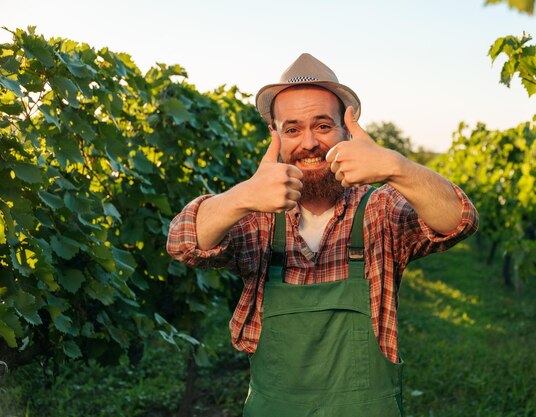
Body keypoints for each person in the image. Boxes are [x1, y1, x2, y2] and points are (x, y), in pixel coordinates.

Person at [167, 53, 479, 417]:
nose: (309, 142)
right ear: (277, 138)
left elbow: (460, 220)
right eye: (293, 129)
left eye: (323, 126)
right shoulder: (258, 218)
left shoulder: (379, 211)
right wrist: (242, 196)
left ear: (347, 132)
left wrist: (396, 167)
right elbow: (182, 243)